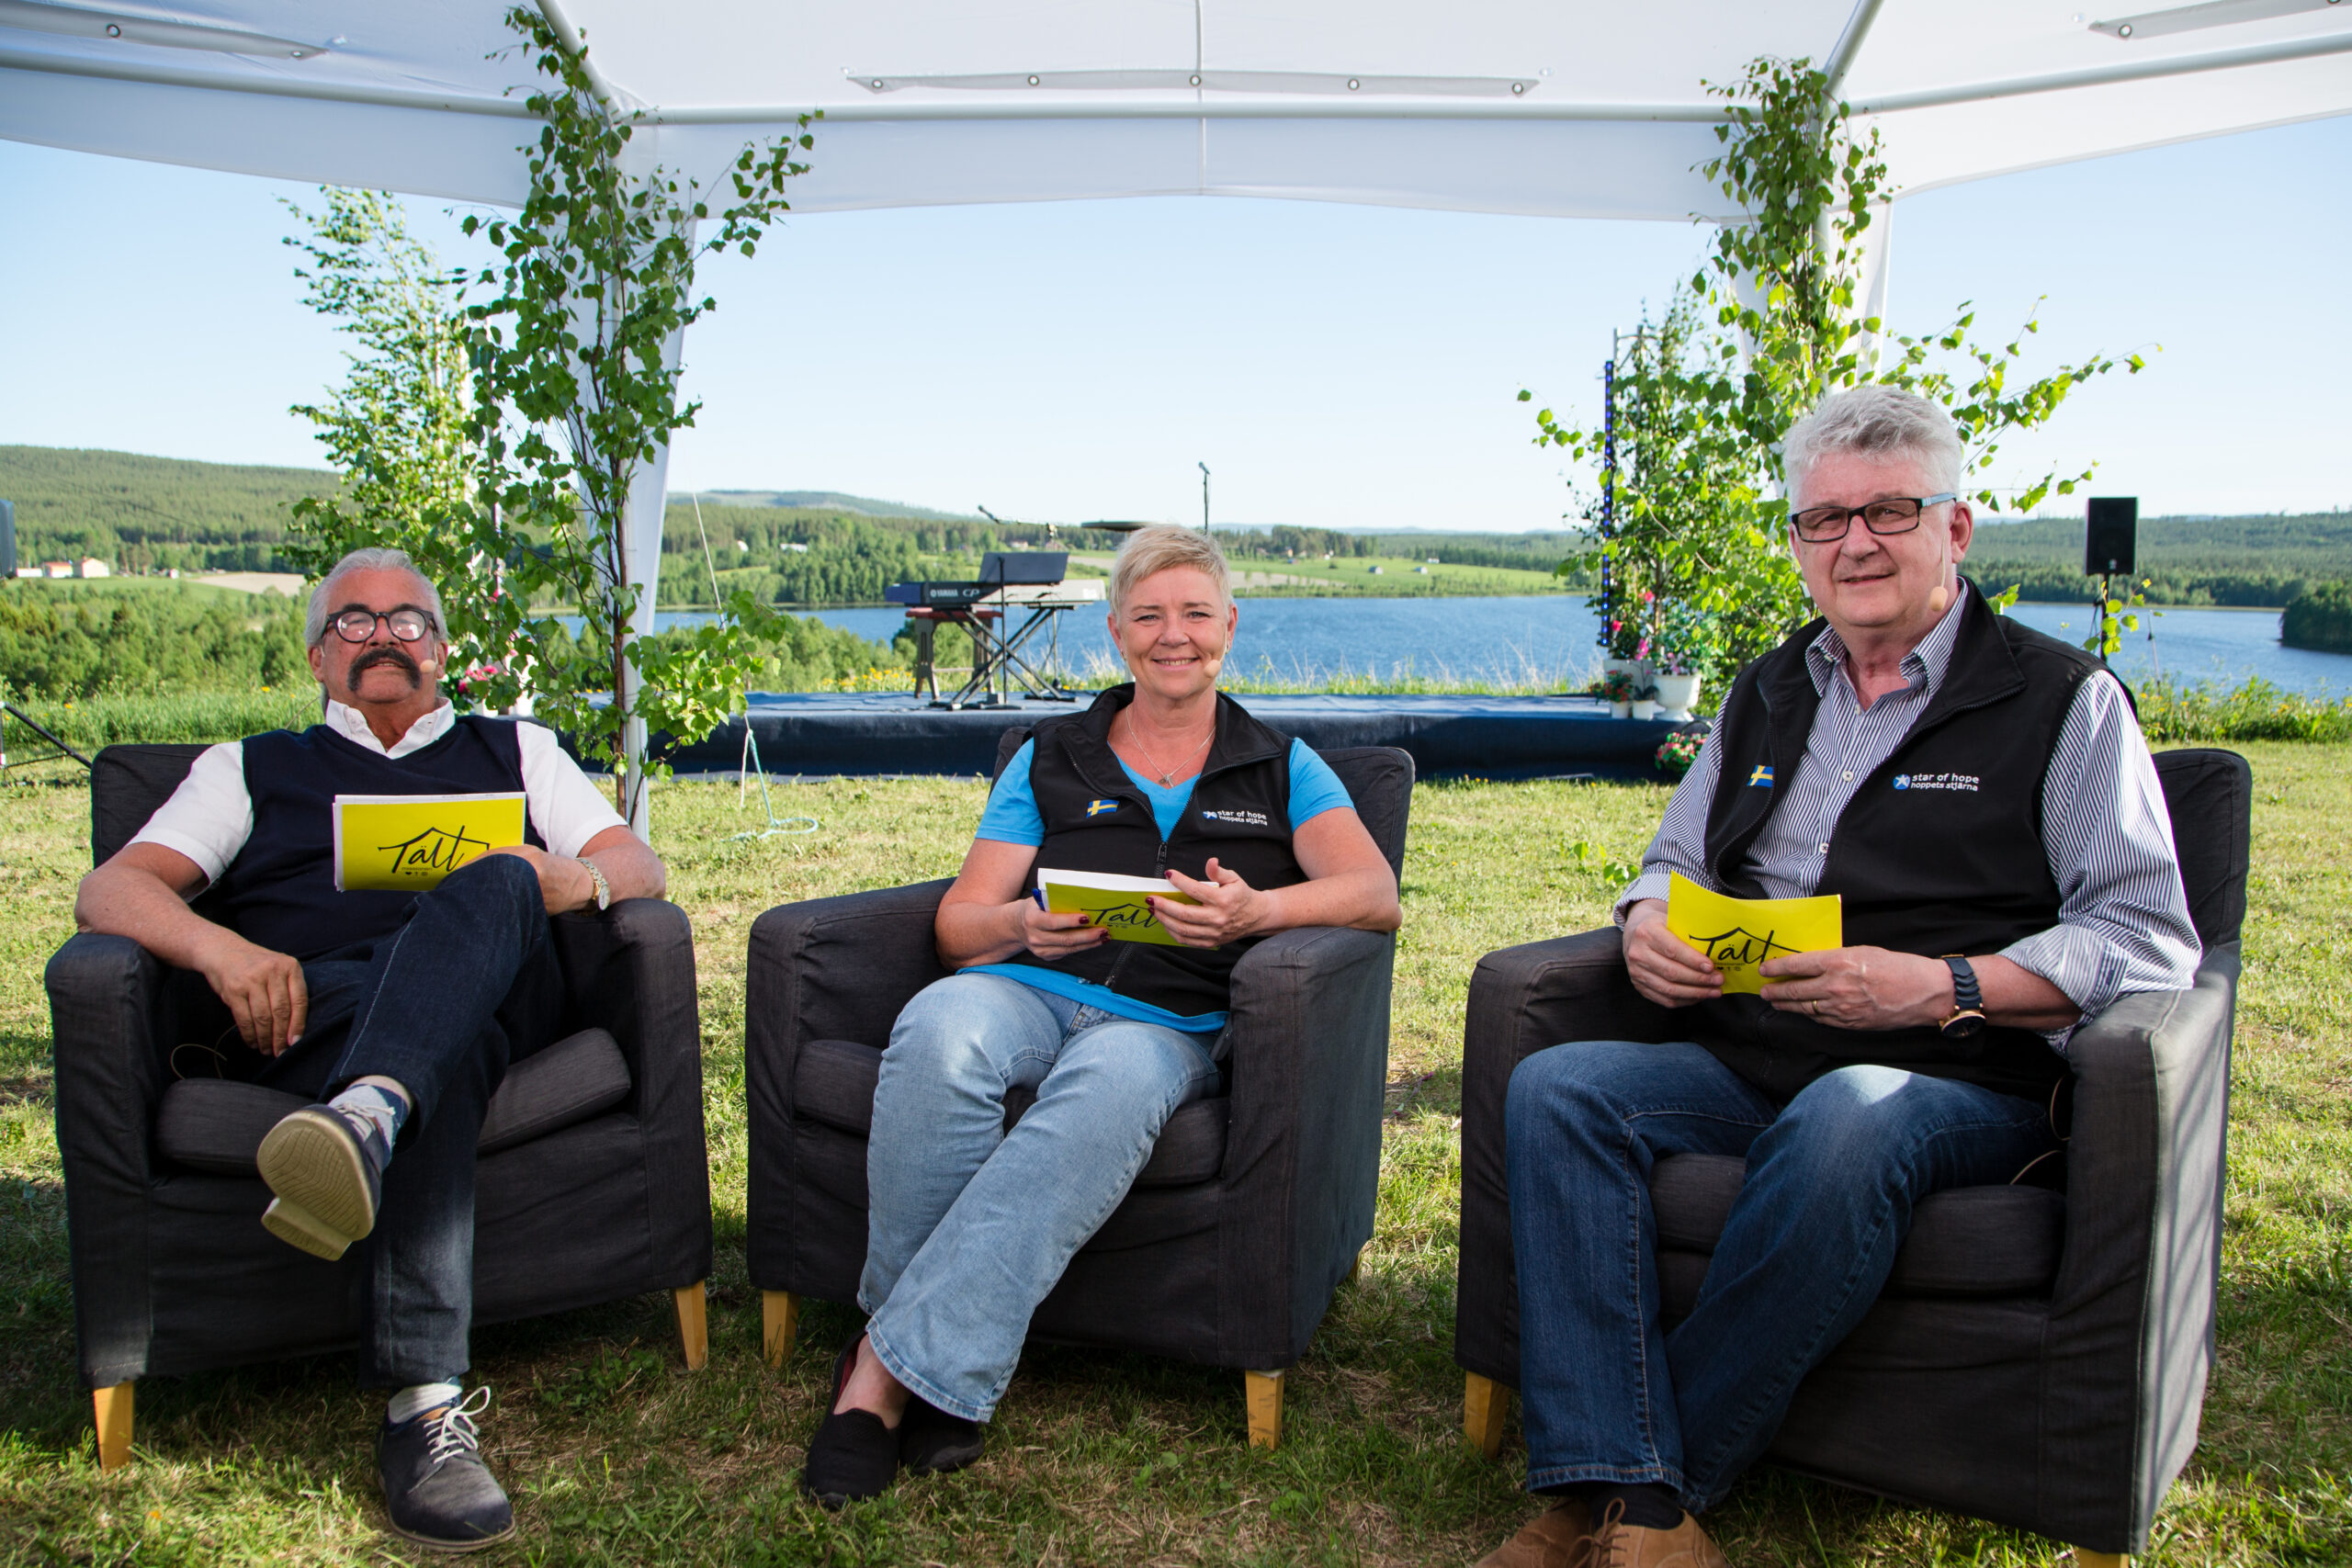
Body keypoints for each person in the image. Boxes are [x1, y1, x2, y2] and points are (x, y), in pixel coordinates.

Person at [1476, 386, 2200, 1568]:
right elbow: (1670, 856)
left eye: (1888, 512)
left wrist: (1945, 985)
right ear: (1801, 542)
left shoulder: (2065, 703)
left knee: (1846, 1118)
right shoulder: (1765, 689)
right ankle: (1619, 1485)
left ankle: (1646, 1504)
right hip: (1752, 1046)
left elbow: (2143, 934)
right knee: (1561, 1088)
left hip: (1961, 1073)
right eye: (1824, 520)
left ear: (1953, 531)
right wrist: (1648, 920)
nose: (1855, 541)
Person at [73, 547, 666, 1552]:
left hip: (501, 981)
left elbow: (634, 862)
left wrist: (569, 883)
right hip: (314, 1012)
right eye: (354, 620)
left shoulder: (517, 751)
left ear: (442, 653)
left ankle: (364, 1117)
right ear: (316, 655)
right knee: (450, 1044)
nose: (384, 635)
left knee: (499, 882)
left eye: (408, 621)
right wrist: (221, 949)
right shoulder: (248, 768)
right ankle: (423, 1400)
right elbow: (111, 892)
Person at [801, 525, 1402, 1506]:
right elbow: (959, 928)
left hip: (1168, 1027)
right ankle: (935, 1364)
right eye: (1151, 615)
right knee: (939, 1026)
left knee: (1108, 1085)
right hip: (1032, 988)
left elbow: (1372, 893)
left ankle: (875, 1378)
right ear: (1118, 632)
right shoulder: (1050, 756)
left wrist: (1259, 911)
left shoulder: (1286, 765)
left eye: (1196, 613)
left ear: (1230, 628)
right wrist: (1022, 926)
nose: (1176, 635)